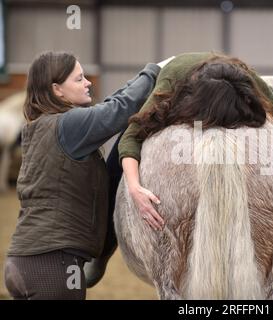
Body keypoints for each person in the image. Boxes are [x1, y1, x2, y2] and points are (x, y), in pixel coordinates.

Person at [85, 52, 273, 287]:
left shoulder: (250, 81)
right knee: (118, 151)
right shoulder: (170, 82)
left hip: (235, 77)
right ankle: (102, 250)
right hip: (172, 74)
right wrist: (133, 187)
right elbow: (131, 139)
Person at [3, 51, 165, 299]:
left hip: (23, 262)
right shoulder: (68, 125)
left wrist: (147, 72)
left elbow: (112, 103)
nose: (88, 82)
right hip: (56, 267)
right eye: (79, 79)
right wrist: (154, 71)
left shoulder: (42, 125)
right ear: (57, 89)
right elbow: (119, 110)